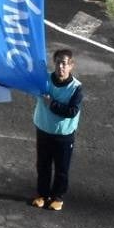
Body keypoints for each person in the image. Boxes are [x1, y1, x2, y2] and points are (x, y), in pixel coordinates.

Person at [31, 49, 84, 212]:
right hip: (44, 130)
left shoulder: (76, 88)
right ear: (54, 63)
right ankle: (43, 194)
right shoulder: (43, 80)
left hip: (64, 135)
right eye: (59, 62)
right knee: (43, 165)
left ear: (71, 66)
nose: (61, 66)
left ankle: (57, 197)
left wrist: (52, 104)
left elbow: (72, 111)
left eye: (65, 63)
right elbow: (24, 82)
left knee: (61, 168)